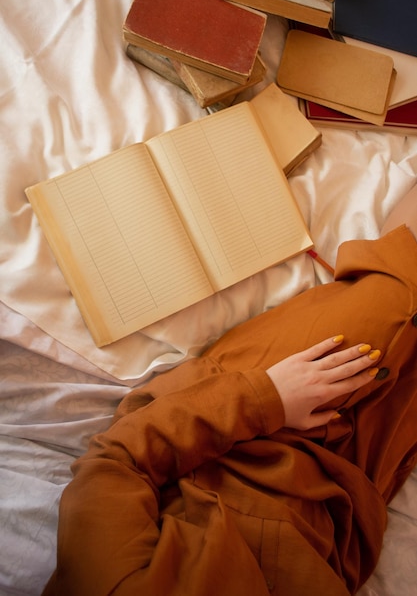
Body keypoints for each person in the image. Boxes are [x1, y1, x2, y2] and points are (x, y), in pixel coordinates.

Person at [43, 184, 417, 596]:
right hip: (344, 490)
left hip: (239, 421)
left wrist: (270, 397)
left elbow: (115, 461)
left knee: (398, 298)